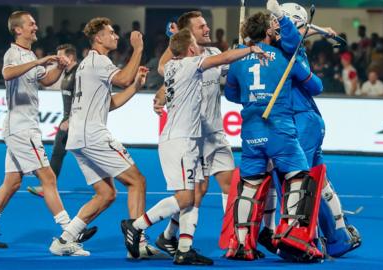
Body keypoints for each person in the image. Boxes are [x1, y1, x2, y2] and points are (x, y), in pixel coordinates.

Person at [122, 28, 268, 265]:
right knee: (186, 197)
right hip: (181, 141)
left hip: (187, 140)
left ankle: (184, 248)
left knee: (194, 194)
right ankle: (136, 225)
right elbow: (223, 58)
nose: (198, 46)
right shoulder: (191, 63)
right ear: (190, 49)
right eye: (194, 43)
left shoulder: (171, 66)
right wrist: (249, 49)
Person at [0, 11, 92, 256]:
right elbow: (6, 73)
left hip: (20, 127)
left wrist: (58, 65)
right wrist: (38, 61)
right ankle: (69, 232)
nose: (36, 27)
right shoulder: (13, 53)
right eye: (31, 24)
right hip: (22, 128)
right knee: (48, 178)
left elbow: (45, 81)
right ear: (18, 30)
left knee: (12, 182)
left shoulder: (28, 55)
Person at [259, 0, 361, 258]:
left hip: (300, 120)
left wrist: (299, 24)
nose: (273, 24)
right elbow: (296, 31)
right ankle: (338, 238)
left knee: (296, 182)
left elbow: (293, 36)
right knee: (317, 181)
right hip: (304, 121)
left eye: (278, 20)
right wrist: (319, 29)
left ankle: (307, 239)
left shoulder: (289, 47)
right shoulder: (287, 44)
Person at [52, 17, 160, 258]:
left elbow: (109, 103)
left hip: (78, 138)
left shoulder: (87, 64)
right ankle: (138, 242)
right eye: (111, 33)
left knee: (106, 194)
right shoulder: (99, 61)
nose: (115, 36)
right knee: (137, 182)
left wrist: (134, 88)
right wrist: (139, 49)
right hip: (93, 134)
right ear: (98, 38)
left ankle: (65, 239)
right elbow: (122, 78)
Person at [221, 10, 324, 261]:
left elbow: (231, 96)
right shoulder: (285, 57)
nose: (278, 31)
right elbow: (316, 87)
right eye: (274, 27)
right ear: (268, 32)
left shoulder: (238, 59)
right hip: (280, 131)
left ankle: (243, 244)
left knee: (250, 184)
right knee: (299, 177)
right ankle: (292, 235)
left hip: (251, 131)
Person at [153, 11, 236, 257]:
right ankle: (170, 237)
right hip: (195, 136)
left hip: (216, 134)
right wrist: (160, 94)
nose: (207, 29)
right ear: (188, 34)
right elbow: (164, 70)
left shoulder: (212, 55)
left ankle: (234, 240)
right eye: (201, 27)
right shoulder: (183, 61)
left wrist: (244, 53)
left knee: (230, 185)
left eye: (206, 25)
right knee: (196, 194)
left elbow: (232, 67)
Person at [27, 44, 79, 197]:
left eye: (60, 56)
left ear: (70, 58)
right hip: (69, 119)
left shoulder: (78, 74)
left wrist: (70, 119)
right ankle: (47, 186)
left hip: (75, 120)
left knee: (60, 152)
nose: (57, 60)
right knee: (61, 152)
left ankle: (48, 187)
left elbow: (81, 98)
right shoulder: (66, 73)